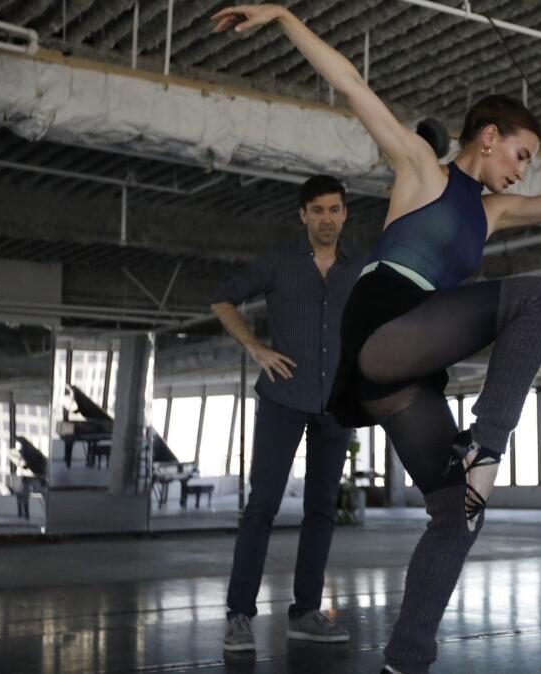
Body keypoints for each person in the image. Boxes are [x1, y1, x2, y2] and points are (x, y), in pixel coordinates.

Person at [211, 6, 541, 672]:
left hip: (405, 370)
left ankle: (405, 657)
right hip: (384, 323)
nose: (523, 171)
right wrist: (283, 16)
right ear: (487, 135)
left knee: (457, 515)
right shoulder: (423, 168)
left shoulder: (494, 211)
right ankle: (487, 441)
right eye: (521, 154)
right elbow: (352, 85)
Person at [210, 174, 363, 652]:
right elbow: (222, 298)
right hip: (282, 397)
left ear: (344, 213)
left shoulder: (357, 270)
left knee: (321, 511)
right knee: (262, 507)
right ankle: (239, 615)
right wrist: (255, 348)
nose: (326, 219)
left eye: (334, 209)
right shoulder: (279, 263)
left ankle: (306, 612)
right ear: (303, 215)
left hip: (335, 404)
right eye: (317, 210)